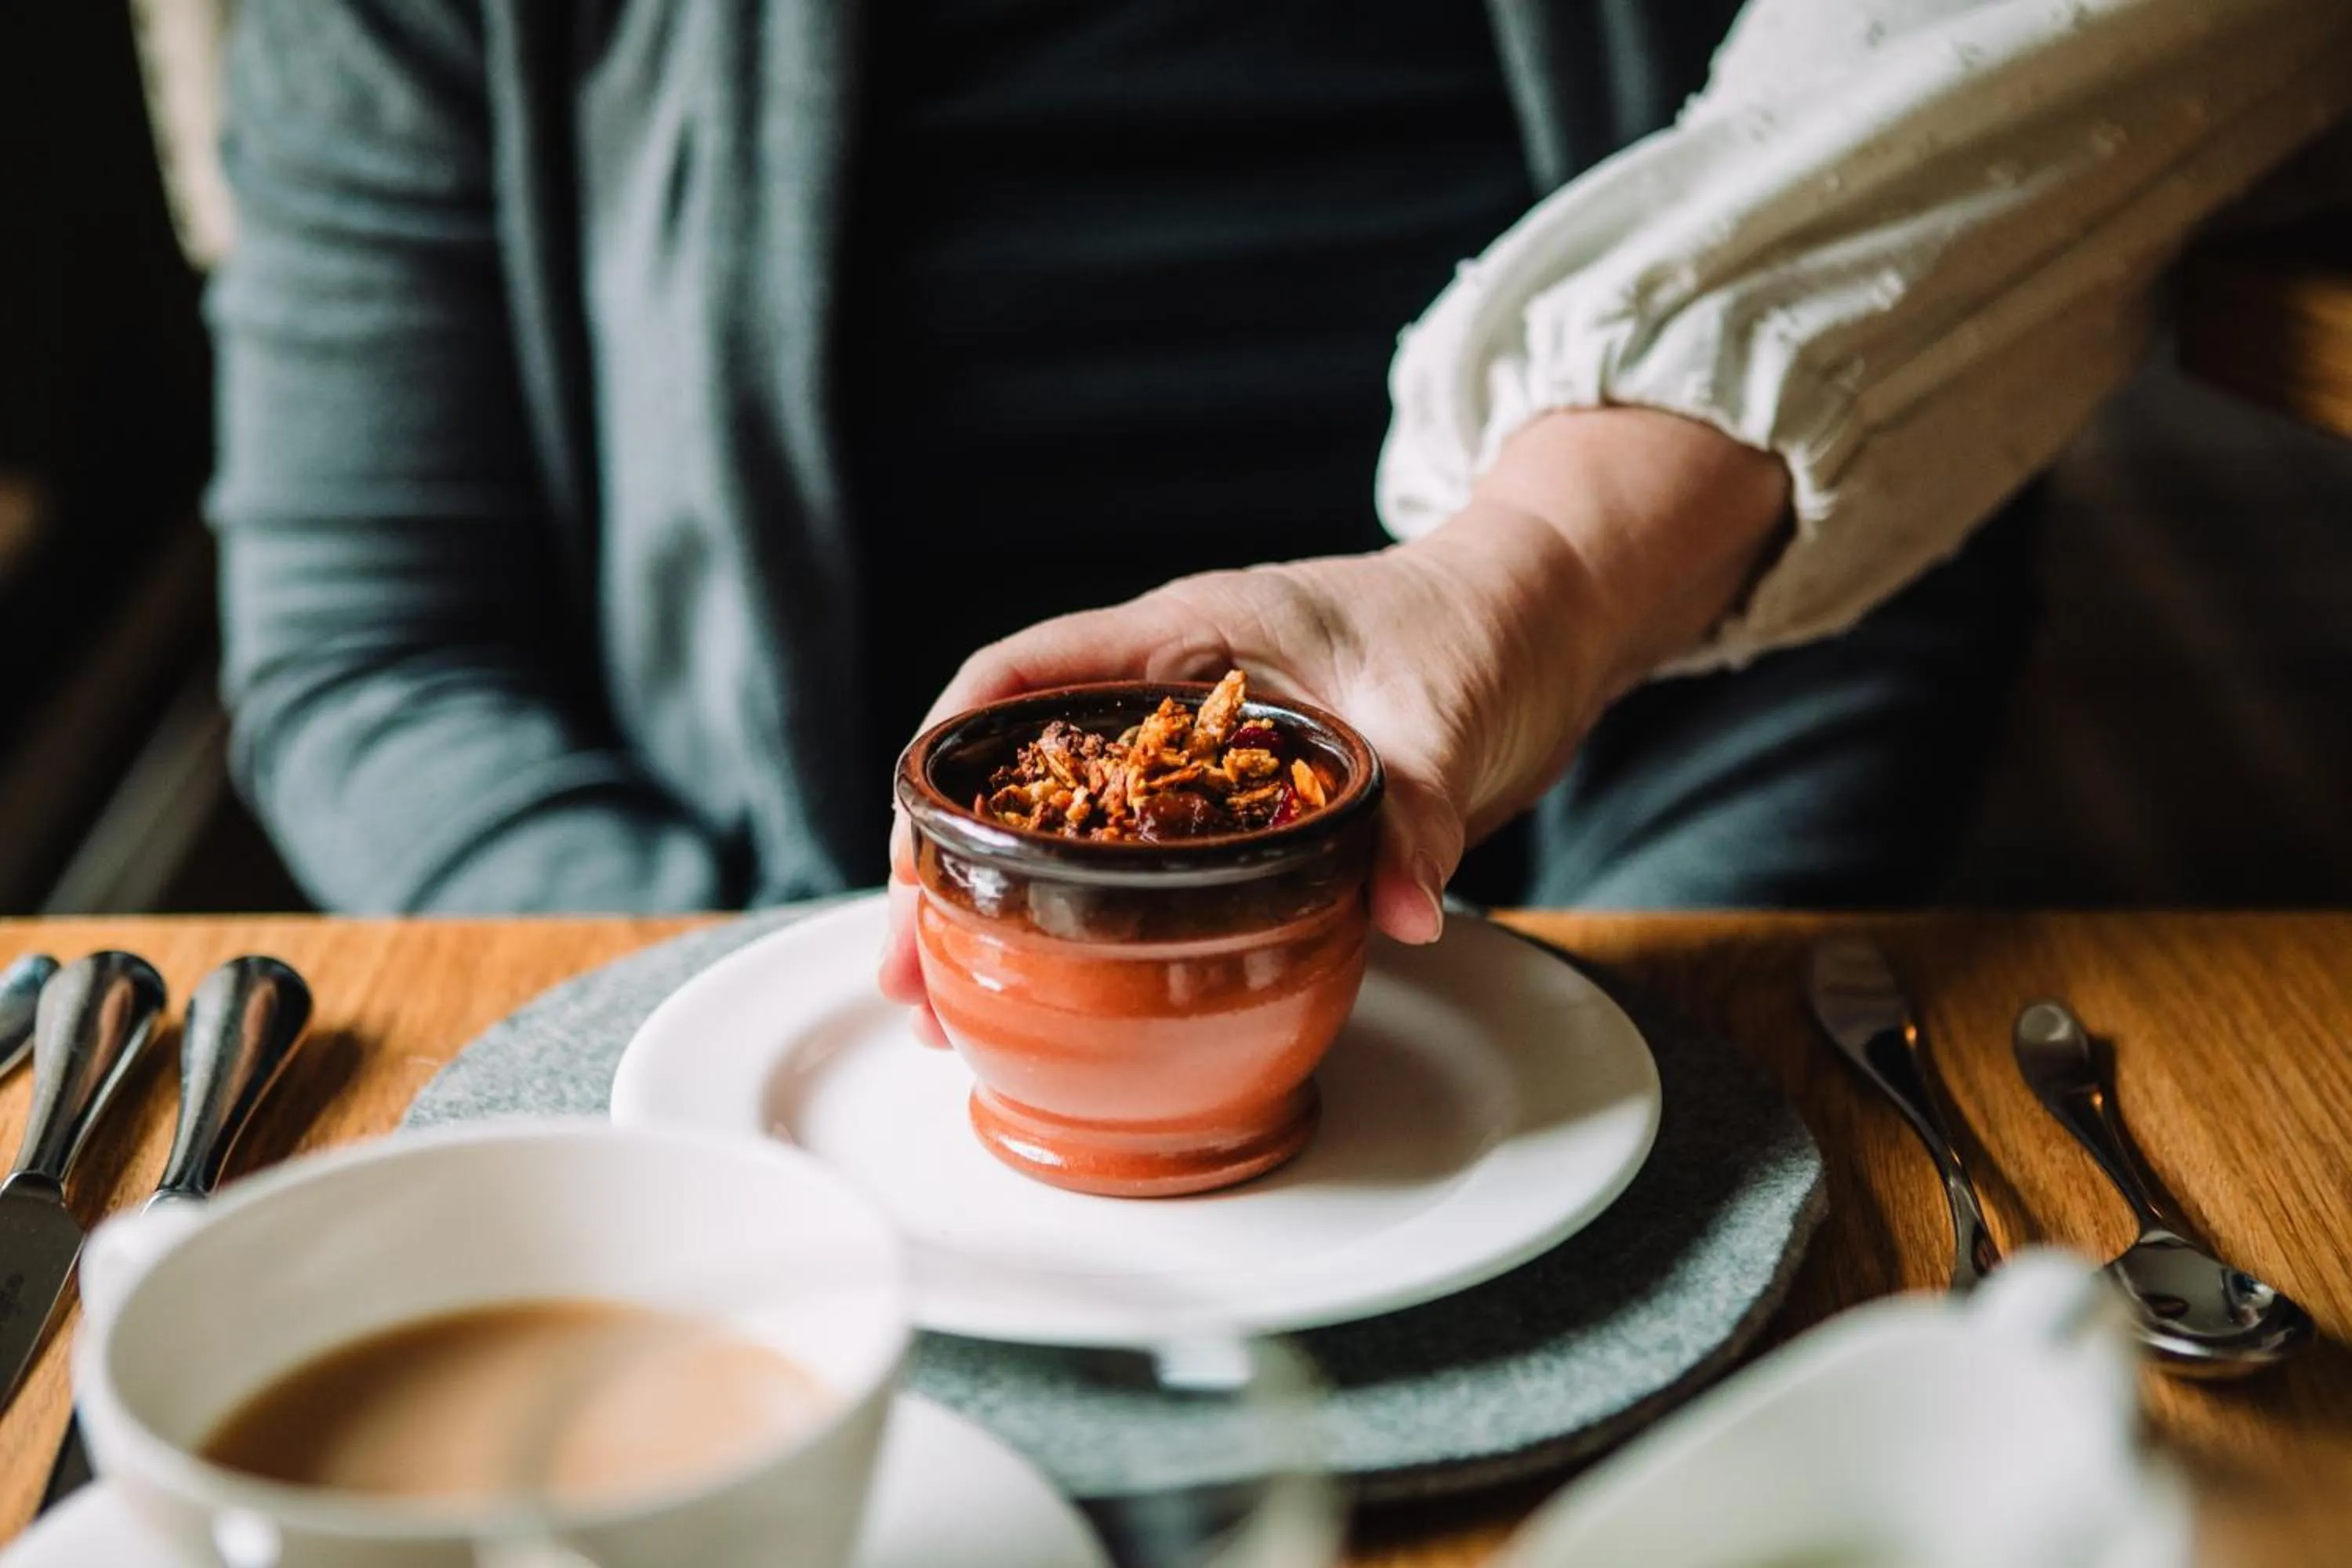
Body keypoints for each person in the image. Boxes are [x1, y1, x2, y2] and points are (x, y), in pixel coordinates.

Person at [209, 0, 2350, 990]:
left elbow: (1869, 482)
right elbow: (370, 648)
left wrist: (1578, 1021)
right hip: (787, 963)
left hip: (1582, 955)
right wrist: (801, 1027)